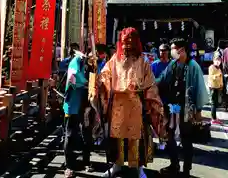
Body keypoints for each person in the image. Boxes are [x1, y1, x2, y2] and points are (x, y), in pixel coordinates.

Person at [95, 27, 165, 178]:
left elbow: (150, 84)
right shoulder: (114, 60)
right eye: (125, 42)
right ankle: (117, 165)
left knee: (136, 139)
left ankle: (138, 167)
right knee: (117, 138)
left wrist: (149, 100)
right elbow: (105, 76)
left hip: (136, 106)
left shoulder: (143, 61)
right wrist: (99, 81)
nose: (127, 45)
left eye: (130, 42)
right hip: (118, 106)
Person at [156, 38, 208, 177]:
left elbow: (200, 90)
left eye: (173, 49)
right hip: (173, 107)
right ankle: (174, 164)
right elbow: (161, 80)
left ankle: (186, 169)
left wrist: (198, 111)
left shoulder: (193, 66)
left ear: (182, 50)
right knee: (170, 136)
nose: (171, 51)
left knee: (186, 139)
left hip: (187, 108)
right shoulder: (172, 64)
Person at [63, 50, 93, 177]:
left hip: (85, 104)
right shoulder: (76, 61)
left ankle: (86, 161)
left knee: (86, 133)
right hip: (73, 105)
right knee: (70, 135)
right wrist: (86, 83)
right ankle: (68, 166)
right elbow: (72, 76)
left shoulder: (90, 65)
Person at [208, 53, 223, 124]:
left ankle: (214, 116)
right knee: (213, 103)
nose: (218, 61)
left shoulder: (219, 68)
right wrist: (217, 75)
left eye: (219, 60)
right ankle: (213, 119)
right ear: (213, 60)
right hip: (213, 87)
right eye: (216, 59)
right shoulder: (211, 67)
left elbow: (221, 78)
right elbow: (211, 77)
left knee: (216, 103)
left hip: (217, 87)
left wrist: (221, 85)